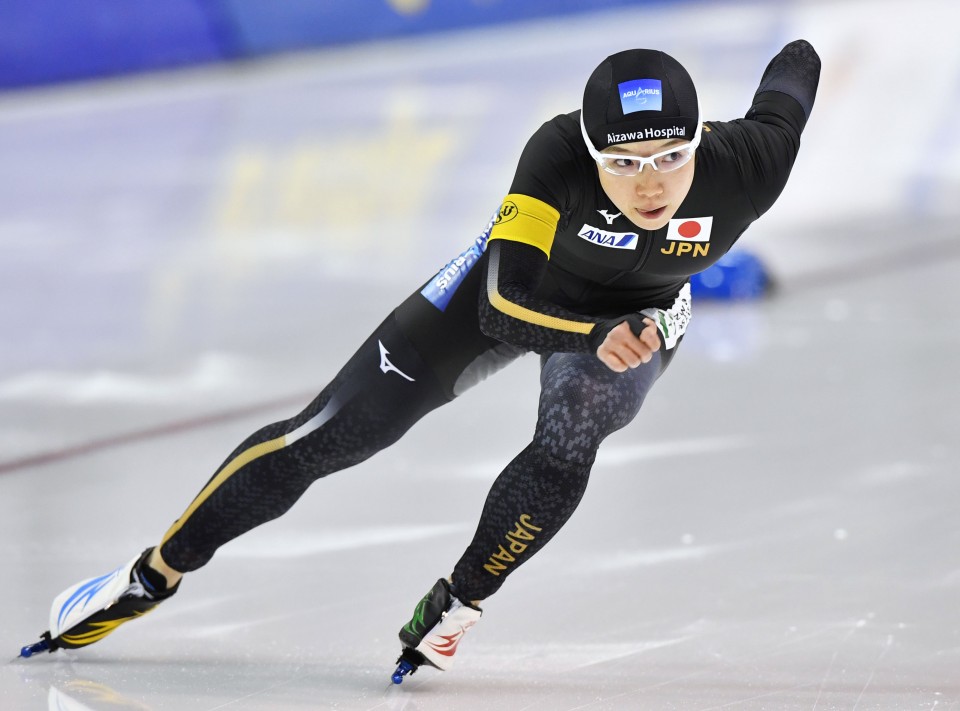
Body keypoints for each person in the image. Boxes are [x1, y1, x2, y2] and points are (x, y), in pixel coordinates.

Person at [22, 39, 821, 681]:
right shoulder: (554, 155)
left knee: (575, 428)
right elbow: (500, 304)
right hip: (520, 290)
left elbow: (798, 64)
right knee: (329, 435)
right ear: (590, 153)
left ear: (699, 139)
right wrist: (584, 335)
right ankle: (153, 572)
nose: (649, 185)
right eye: (623, 165)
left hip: (639, 314)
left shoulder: (753, 161)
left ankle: (459, 601)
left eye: (668, 159)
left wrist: (793, 52)